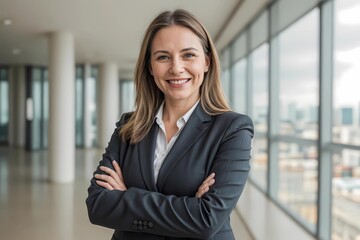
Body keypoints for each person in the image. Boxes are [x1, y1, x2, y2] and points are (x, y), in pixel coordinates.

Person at [86, 9, 254, 240]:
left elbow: (207, 220)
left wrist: (126, 196)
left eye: (188, 55)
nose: (176, 68)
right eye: (163, 57)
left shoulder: (232, 129)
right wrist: (189, 207)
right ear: (150, 67)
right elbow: (97, 204)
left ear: (206, 61)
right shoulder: (128, 126)